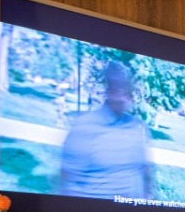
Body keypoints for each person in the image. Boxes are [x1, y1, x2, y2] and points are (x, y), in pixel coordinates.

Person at [58, 62, 155, 200]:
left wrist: (149, 199)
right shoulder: (85, 126)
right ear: (108, 92)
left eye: (127, 93)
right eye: (118, 91)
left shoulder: (138, 127)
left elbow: (146, 173)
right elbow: (68, 183)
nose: (123, 98)